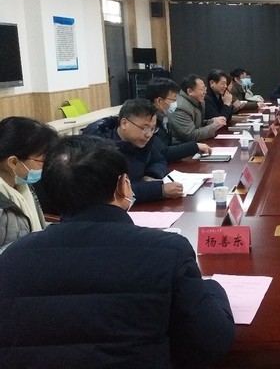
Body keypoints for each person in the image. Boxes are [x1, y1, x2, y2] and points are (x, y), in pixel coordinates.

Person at [0, 136, 235, 367]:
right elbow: (211, 342)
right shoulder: (168, 251)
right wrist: (212, 288)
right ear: (123, 185)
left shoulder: (12, 257)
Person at [84, 99, 183, 202]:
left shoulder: (142, 140)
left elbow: (159, 160)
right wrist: (159, 190)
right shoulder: (101, 150)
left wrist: (151, 175)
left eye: (152, 128)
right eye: (144, 128)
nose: (149, 134)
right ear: (124, 124)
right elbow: (113, 192)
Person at [0, 117, 58, 253]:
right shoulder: (3, 209)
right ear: (13, 162)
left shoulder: (23, 186)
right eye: (42, 161)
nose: (47, 166)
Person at [145, 77, 211, 162]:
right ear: (159, 101)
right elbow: (163, 152)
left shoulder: (162, 117)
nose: (175, 103)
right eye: (173, 100)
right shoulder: (148, 123)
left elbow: (169, 144)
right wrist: (194, 147)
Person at [169, 74, 227, 142]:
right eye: (202, 89)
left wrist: (211, 121)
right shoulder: (179, 108)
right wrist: (214, 126)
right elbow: (191, 135)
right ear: (190, 91)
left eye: (205, 89)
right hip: (182, 145)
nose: (205, 92)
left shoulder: (198, 101)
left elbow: (197, 124)